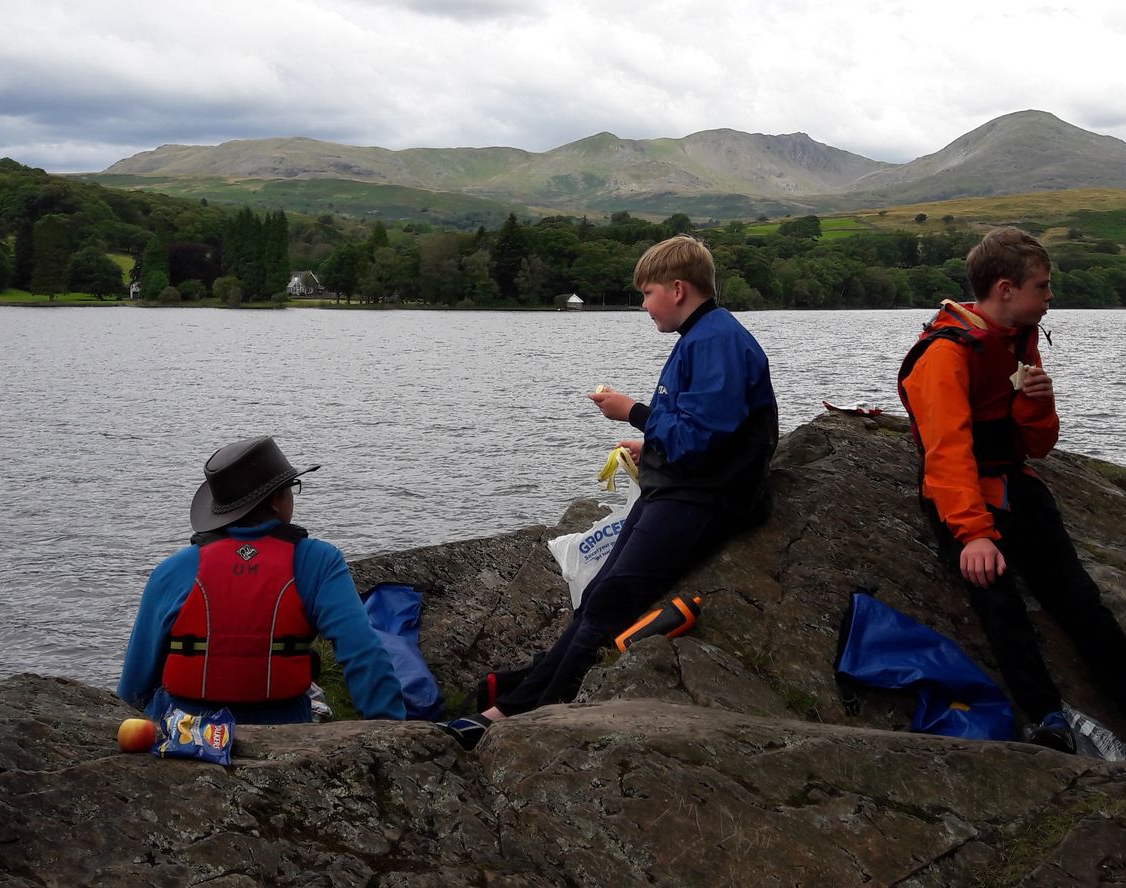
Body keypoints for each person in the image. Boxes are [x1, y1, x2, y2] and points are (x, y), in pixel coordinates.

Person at [437, 234, 779, 748]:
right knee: (598, 593)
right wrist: (652, 447)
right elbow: (697, 430)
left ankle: (519, 714)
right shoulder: (702, 335)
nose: (643, 305)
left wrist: (635, 413)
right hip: (682, 487)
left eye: (646, 294)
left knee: (612, 599)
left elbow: (703, 439)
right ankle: (510, 699)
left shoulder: (717, 341)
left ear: (678, 289)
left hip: (706, 499)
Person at [899, 229, 1126, 763]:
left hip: (1016, 484)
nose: (1051, 295)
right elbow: (946, 451)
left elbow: (1036, 445)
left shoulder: (1019, 334)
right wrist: (973, 534)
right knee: (999, 605)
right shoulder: (945, 355)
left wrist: (1037, 403)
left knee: (1080, 600)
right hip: (965, 495)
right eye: (1044, 285)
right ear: (1006, 288)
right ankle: (1046, 717)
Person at [118, 435, 404, 723]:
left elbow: (135, 681)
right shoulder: (318, 561)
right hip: (283, 728)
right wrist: (390, 731)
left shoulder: (172, 570)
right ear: (277, 501)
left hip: (185, 731)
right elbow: (364, 654)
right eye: (292, 489)